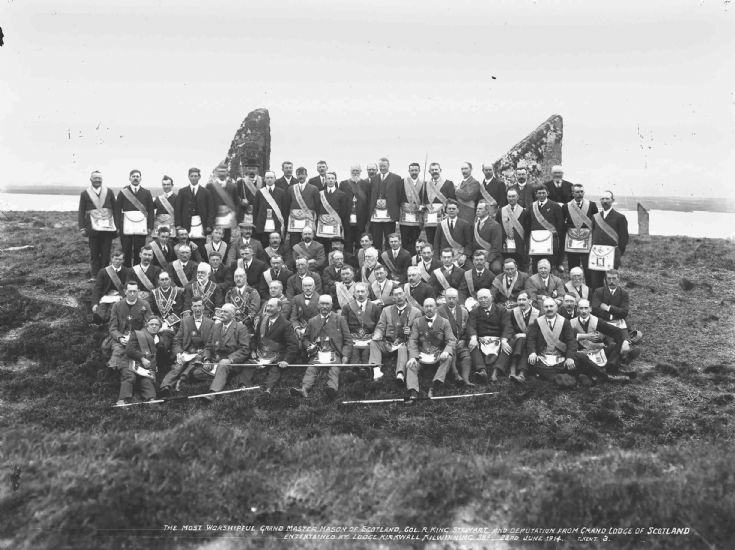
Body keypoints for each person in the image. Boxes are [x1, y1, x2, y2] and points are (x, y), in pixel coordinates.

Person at [290, 295, 353, 400]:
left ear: (332, 305)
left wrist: (345, 355)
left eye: (327, 304)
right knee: (311, 369)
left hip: (334, 352)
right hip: (318, 352)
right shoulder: (312, 321)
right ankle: (304, 389)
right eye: (322, 304)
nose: (324, 306)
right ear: (318, 305)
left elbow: (348, 340)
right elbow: (305, 339)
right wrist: (309, 346)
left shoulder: (340, 319)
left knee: (334, 369)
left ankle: (332, 389)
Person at [237, 298, 299, 397]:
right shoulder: (263, 319)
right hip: (261, 352)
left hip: (276, 354)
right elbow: (255, 338)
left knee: (276, 368)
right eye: (267, 306)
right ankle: (244, 386)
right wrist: (253, 350)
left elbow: (293, 345)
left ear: (279, 308)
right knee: (249, 363)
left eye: (271, 306)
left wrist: (286, 360)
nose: (268, 308)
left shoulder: (286, 324)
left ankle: (268, 389)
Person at [159, 297, 215, 395]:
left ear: (203, 307)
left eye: (199, 306)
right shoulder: (185, 321)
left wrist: (206, 357)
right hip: (187, 352)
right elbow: (177, 339)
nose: (197, 309)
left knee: (193, 364)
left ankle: (181, 381)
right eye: (195, 306)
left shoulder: (210, 323)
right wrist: (179, 353)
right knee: (177, 366)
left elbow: (210, 344)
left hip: (201, 352)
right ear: (191, 308)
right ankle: (165, 387)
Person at [406, 297, 456, 401]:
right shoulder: (417, 322)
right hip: (422, 354)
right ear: (423, 308)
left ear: (436, 308)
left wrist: (446, 351)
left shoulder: (444, 322)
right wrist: (413, 357)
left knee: (449, 358)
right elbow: (413, 340)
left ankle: (435, 385)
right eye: (426, 306)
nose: (429, 308)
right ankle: (413, 391)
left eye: (431, 306)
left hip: (437, 355)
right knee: (410, 364)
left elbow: (451, 340)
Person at [369, 286, 422, 384]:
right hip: (389, 343)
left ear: (405, 295)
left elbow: (419, 332)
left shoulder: (416, 312)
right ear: (393, 298)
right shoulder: (386, 310)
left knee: (403, 347)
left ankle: (400, 373)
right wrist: (377, 335)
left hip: (404, 344)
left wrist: (410, 332)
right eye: (396, 295)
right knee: (374, 343)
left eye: (401, 294)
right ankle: (376, 371)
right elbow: (381, 326)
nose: (399, 297)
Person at [571, 299, 629, 381]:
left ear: (590, 309)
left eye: (586, 308)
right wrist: (585, 337)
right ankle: (603, 373)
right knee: (577, 359)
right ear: (577, 309)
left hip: (597, 351)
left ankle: (610, 366)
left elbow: (617, 331)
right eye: (581, 308)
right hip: (582, 354)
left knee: (615, 345)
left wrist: (626, 341)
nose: (583, 311)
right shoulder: (571, 323)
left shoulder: (597, 321)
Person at [202, 303, 251, 401]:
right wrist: (207, 359)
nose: (221, 314)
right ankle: (225, 378)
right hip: (215, 360)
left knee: (223, 364)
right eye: (221, 311)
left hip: (232, 362)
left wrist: (230, 359)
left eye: (225, 312)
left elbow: (245, 349)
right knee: (196, 372)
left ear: (233, 315)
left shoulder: (240, 328)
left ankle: (213, 392)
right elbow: (208, 346)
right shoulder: (216, 327)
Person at [525, 298, 578, 384]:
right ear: (543, 308)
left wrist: (569, 358)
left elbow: (571, 341)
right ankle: (560, 377)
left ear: (556, 308)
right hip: (543, 357)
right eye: (546, 307)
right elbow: (531, 339)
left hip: (560, 356)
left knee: (575, 360)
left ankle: (549, 376)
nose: (549, 309)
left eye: (551, 306)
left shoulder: (565, 322)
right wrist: (532, 353)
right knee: (531, 361)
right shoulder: (538, 322)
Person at [467, 289, 512, 383]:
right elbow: (471, 326)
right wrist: (473, 338)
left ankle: (496, 372)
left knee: (510, 342)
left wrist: (504, 340)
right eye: (480, 298)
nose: (483, 300)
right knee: (471, 342)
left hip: (498, 339)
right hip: (481, 339)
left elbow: (507, 326)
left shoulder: (501, 310)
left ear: (491, 298)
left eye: (485, 297)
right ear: (477, 300)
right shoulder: (474, 312)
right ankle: (481, 370)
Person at [78, 170, 117, 278]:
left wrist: (117, 226)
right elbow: (81, 211)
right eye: (95, 178)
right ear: (90, 179)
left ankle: (105, 274)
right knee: (94, 253)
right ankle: (95, 275)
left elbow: (115, 209)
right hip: (92, 228)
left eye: (99, 178)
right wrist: (82, 227)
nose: (97, 180)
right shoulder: (85, 193)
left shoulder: (109, 192)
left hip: (108, 228)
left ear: (102, 180)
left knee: (106, 252)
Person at [117, 316, 163, 405]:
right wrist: (142, 358)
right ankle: (121, 401)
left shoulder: (159, 340)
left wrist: (154, 366)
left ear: (159, 327)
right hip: (129, 362)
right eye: (151, 324)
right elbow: (129, 350)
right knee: (130, 377)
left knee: (147, 380)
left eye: (156, 324)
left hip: (144, 367)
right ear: (147, 325)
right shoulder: (138, 334)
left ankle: (151, 400)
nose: (154, 326)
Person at [107, 281, 153, 371]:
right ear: (125, 291)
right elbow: (112, 328)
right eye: (130, 291)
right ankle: (114, 369)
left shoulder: (145, 305)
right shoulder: (117, 306)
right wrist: (120, 338)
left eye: (135, 291)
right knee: (117, 349)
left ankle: (130, 371)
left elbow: (148, 325)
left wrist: (137, 336)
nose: (132, 294)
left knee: (138, 353)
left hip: (138, 337)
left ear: (138, 291)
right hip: (121, 336)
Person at [589, 191, 629, 289]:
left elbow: (624, 238)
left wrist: (618, 253)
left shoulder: (620, 217)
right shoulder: (595, 217)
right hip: (597, 254)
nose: (605, 201)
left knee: (610, 281)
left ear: (612, 200)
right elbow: (593, 234)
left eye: (607, 199)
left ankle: (611, 301)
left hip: (612, 255)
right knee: (596, 281)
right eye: (602, 199)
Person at [115, 169, 155, 267]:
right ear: (130, 178)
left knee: (139, 249)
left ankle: (138, 270)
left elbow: (150, 210)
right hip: (126, 225)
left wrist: (150, 226)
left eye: (137, 176)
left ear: (140, 178)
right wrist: (118, 226)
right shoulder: (123, 192)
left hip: (141, 225)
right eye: (133, 176)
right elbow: (117, 210)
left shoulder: (146, 192)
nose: (135, 178)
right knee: (126, 249)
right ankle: (126, 270)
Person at [341, 282, 380, 379]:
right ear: (354, 294)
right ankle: (354, 370)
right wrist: (349, 338)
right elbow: (344, 325)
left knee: (367, 352)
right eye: (358, 292)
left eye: (363, 291)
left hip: (369, 338)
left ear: (367, 293)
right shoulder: (347, 307)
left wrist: (374, 337)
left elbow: (379, 324)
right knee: (354, 351)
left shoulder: (375, 307)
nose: (360, 294)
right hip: (353, 338)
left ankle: (365, 370)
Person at [437, 288, 473, 386]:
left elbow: (468, 328)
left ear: (457, 298)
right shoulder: (439, 311)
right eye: (449, 298)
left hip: (460, 340)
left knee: (467, 356)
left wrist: (464, 340)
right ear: (445, 298)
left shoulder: (463, 311)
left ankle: (466, 379)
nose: (451, 300)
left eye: (454, 298)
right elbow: (437, 330)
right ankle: (455, 374)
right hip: (445, 343)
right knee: (451, 351)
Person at [174, 167, 215, 254]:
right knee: (186, 247)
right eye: (192, 176)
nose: (193, 178)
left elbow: (211, 210)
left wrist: (209, 225)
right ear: (188, 177)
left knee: (200, 247)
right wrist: (178, 225)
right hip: (186, 224)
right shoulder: (182, 191)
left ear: (199, 177)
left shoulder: (206, 192)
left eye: (196, 176)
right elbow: (177, 210)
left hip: (201, 224)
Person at [562, 183, 598, 278]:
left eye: (582, 191)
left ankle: (590, 289)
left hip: (587, 240)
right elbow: (563, 224)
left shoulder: (592, 205)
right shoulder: (566, 206)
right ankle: (573, 289)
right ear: (573, 193)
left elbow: (596, 222)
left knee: (588, 267)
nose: (580, 194)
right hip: (572, 239)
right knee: (573, 267)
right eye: (577, 192)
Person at [505, 291, 539, 384]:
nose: (521, 302)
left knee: (523, 341)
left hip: (532, 341)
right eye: (519, 300)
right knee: (521, 341)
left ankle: (513, 370)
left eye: (524, 299)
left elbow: (539, 332)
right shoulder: (513, 312)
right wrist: (516, 336)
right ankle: (521, 373)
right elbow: (509, 328)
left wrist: (526, 336)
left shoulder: (538, 314)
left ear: (530, 301)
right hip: (515, 340)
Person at [368, 157, 402, 250]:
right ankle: (377, 257)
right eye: (380, 166)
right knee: (376, 238)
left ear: (388, 166)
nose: (382, 168)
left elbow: (399, 195)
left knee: (389, 237)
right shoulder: (374, 178)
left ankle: (389, 258)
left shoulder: (396, 178)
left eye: (384, 166)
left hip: (389, 214)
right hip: (376, 214)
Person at [528, 186, 564, 273]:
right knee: (535, 266)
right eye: (539, 193)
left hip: (550, 241)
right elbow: (528, 223)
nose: (541, 195)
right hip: (536, 241)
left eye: (543, 193)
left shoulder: (555, 206)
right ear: (536, 194)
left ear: (548, 193)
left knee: (549, 266)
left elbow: (560, 225)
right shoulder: (531, 206)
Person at [149, 271, 184, 355]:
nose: (164, 281)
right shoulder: (153, 293)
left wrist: (167, 323)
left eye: (166, 279)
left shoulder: (177, 292)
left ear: (170, 280)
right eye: (162, 279)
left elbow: (178, 310)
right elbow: (151, 310)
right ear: (158, 281)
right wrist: (159, 323)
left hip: (173, 325)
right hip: (157, 324)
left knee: (164, 340)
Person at [91, 251, 131, 323]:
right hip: (105, 296)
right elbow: (97, 288)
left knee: (112, 309)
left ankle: (106, 320)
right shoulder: (103, 271)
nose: (117, 261)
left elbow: (127, 287)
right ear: (112, 259)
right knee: (101, 310)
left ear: (123, 260)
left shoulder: (127, 271)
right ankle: (99, 318)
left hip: (119, 297)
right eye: (116, 259)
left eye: (120, 259)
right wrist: (95, 303)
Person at [339, 165, 370, 255]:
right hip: (347, 218)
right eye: (353, 170)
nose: (355, 172)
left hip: (361, 218)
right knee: (347, 242)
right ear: (350, 171)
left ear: (360, 171)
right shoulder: (343, 184)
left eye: (357, 170)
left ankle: (358, 263)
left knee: (359, 242)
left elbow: (368, 201)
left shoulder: (366, 184)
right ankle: (348, 262)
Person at [315, 171, 349, 253]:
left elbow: (343, 211)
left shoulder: (342, 194)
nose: (330, 180)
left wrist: (338, 223)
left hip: (335, 224)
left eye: (332, 178)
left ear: (335, 180)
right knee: (322, 245)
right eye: (328, 178)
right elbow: (317, 208)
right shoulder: (320, 194)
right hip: (323, 223)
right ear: (325, 180)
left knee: (333, 246)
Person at [497, 188, 530, 272]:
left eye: (513, 196)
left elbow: (527, 230)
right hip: (505, 245)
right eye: (509, 196)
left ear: (517, 197)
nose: (511, 198)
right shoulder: (500, 211)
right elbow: (497, 228)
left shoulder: (524, 212)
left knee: (520, 268)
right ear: (506, 197)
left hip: (519, 246)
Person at [422, 162, 456, 245]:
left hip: (443, 215)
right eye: (432, 170)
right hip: (429, 216)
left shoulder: (448, 183)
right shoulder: (425, 184)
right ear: (429, 171)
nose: (434, 171)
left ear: (440, 170)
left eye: (436, 169)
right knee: (430, 240)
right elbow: (423, 200)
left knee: (443, 240)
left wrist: (449, 213)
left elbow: (452, 201)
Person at [252, 170, 287, 248]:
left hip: (277, 224)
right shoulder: (259, 192)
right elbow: (255, 210)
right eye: (267, 178)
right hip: (262, 225)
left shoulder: (281, 192)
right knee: (263, 245)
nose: (269, 179)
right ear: (264, 179)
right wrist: (255, 224)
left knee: (276, 245)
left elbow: (284, 210)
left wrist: (284, 224)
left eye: (271, 177)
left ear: (275, 179)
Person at [206, 163, 240, 244]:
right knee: (215, 241)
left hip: (228, 219)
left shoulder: (233, 186)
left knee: (227, 241)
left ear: (227, 173)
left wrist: (235, 218)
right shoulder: (210, 186)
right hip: (215, 218)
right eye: (220, 171)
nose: (222, 173)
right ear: (216, 173)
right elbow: (206, 204)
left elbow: (237, 204)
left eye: (224, 171)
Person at [285, 167, 319, 246]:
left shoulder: (314, 189)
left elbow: (317, 205)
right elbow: (287, 205)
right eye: (299, 174)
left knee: (308, 240)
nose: (301, 176)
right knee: (294, 241)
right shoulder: (291, 188)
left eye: (303, 174)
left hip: (308, 219)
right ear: (296, 176)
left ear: (306, 175)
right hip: (295, 220)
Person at [397, 162, 425, 247]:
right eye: (412, 170)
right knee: (404, 239)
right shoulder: (402, 182)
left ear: (419, 171)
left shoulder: (424, 184)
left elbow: (425, 199)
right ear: (409, 171)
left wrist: (422, 206)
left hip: (417, 215)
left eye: (416, 170)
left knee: (415, 239)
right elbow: (398, 197)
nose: (414, 172)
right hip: (405, 214)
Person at [473, 200, 503, 275]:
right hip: (476, 256)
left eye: (480, 209)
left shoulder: (495, 225)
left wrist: (487, 261)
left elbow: (496, 248)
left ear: (487, 211)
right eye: (477, 209)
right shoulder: (474, 224)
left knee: (496, 268)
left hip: (491, 256)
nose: (477, 211)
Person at [289, 277, 320, 343]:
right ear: (302, 288)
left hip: (315, 329)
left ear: (314, 287)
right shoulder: (296, 299)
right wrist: (297, 329)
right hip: (300, 328)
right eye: (305, 286)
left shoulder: (320, 299)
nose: (308, 288)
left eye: (310, 285)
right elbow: (293, 318)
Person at [454, 161, 481, 226]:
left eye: (466, 168)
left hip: (468, 213)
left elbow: (467, 196)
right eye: (462, 169)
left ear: (471, 169)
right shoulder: (460, 183)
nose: (464, 171)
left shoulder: (475, 182)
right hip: (458, 213)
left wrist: (457, 190)